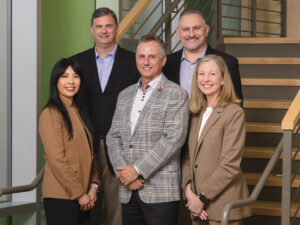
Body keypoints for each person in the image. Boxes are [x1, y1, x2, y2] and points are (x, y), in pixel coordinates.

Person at [106, 35, 189, 225]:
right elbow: (113, 137)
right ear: (136, 60)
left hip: (160, 191)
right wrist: (124, 174)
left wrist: (137, 170)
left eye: (152, 56)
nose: (146, 61)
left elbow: (174, 139)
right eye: (141, 56)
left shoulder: (176, 94)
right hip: (128, 190)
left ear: (163, 60)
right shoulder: (125, 95)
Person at [71, 7, 140, 225]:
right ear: (92, 30)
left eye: (108, 25)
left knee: (116, 211)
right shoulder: (76, 63)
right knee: (86, 209)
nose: (104, 30)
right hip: (85, 145)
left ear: (117, 28)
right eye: (99, 26)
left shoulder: (134, 61)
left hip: (121, 147)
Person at [181, 54, 252, 225]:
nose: (206, 79)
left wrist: (203, 197)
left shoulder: (234, 113)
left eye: (212, 74)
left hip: (222, 203)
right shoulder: (195, 113)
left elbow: (230, 164)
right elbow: (188, 157)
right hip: (196, 203)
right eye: (201, 74)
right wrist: (189, 191)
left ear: (222, 80)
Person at [39, 58, 100, 225]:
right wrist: (80, 194)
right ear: (56, 81)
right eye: (65, 76)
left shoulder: (79, 112)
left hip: (85, 196)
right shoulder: (51, 114)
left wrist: (94, 185)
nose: (71, 81)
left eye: (76, 76)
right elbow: (56, 159)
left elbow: (91, 153)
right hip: (62, 197)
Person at [163, 8, 243, 103]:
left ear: (206, 30)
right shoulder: (166, 63)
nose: (191, 34)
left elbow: (236, 105)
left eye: (196, 28)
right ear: (178, 33)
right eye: (185, 29)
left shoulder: (227, 62)